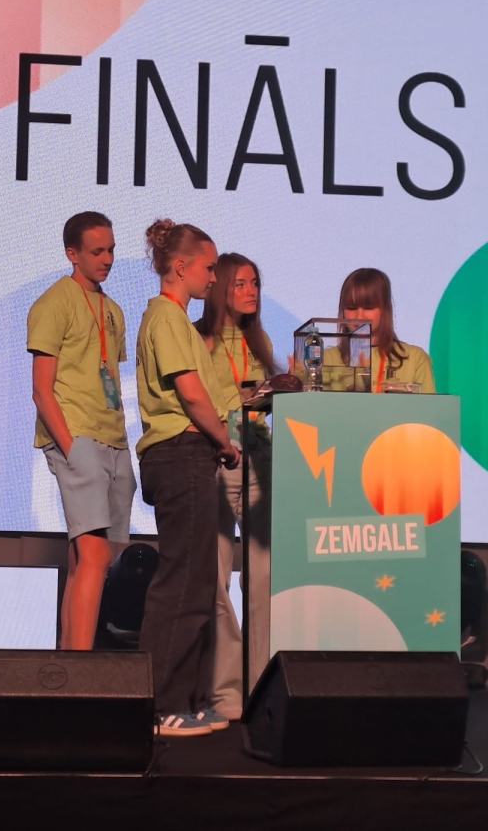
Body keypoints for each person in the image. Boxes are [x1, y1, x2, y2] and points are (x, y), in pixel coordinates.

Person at [135, 218, 238, 737]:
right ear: (180, 267)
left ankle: (189, 700)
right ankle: (160, 705)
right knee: (181, 581)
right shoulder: (166, 317)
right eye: (209, 267)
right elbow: (192, 394)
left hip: (188, 454)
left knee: (197, 581)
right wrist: (225, 441)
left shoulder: (176, 320)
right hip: (181, 453)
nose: (214, 277)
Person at [27, 211, 136, 650]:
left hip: (113, 438)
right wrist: (70, 448)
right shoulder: (54, 303)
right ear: (72, 254)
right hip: (77, 435)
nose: (107, 259)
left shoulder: (113, 309)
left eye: (111, 250)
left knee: (87, 557)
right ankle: (81, 667)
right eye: (96, 251)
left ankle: (67, 661)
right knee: (94, 554)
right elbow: (41, 389)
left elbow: (108, 378)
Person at [193, 253, 277, 717]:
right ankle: (225, 692)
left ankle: (263, 688)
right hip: (218, 460)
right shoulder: (199, 339)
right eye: (241, 283)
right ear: (220, 287)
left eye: (255, 282)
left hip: (261, 460)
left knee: (264, 579)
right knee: (216, 578)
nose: (251, 291)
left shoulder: (259, 340)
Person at [323, 267, 436, 393]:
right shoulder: (325, 359)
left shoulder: (414, 359)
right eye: (351, 308)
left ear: (385, 309)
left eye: (368, 308)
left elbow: (428, 406)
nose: (359, 316)